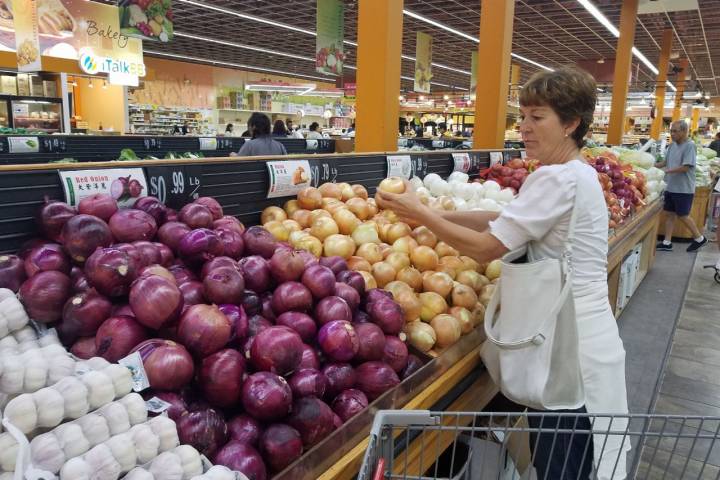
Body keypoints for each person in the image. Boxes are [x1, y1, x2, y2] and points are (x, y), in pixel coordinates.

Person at [376, 66, 629, 480]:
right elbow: (503, 216)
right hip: (585, 337)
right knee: (579, 460)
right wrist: (438, 215)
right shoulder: (578, 173)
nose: (524, 127)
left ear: (571, 123)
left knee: (564, 463)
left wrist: (421, 212)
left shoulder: (556, 178)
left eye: (537, 117)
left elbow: (487, 248)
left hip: (567, 346)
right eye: (523, 115)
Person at [656, 120, 707, 252]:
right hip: (671, 186)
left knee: (683, 215)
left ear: (684, 131)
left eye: (675, 131)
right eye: (671, 131)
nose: (672, 134)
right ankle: (667, 242)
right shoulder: (672, 146)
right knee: (670, 214)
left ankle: (700, 238)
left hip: (683, 188)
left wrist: (667, 171)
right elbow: (664, 163)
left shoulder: (690, 146)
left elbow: (685, 168)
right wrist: (650, 167)